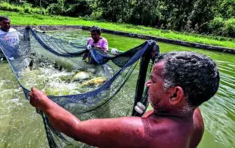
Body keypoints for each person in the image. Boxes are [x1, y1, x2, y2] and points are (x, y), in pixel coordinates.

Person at [29, 51, 219, 148]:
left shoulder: (146, 133)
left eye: (153, 80)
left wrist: (44, 102)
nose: (147, 85)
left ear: (175, 95)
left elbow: (76, 128)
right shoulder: (194, 115)